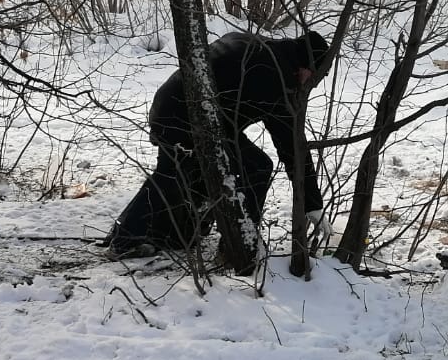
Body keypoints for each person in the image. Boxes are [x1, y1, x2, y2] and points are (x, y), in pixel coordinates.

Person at [104, 29, 331, 259]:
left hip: (178, 107)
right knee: (252, 167)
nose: (312, 84)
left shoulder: (263, 47)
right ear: (304, 66)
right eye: (314, 76)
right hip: (183, 116)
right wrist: (312, 203)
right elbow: (290, 145)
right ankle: (241, 242)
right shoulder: (273, 75)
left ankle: (172, 234)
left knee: (190, 170)